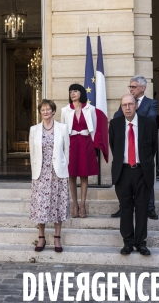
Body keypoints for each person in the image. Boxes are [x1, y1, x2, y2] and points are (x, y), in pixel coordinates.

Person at [109, 94, 157, 256]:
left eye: (130, 104)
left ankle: (141, 242)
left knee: (142, 208)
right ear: (121, 107)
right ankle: (128, 242)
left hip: (142, 172)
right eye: (124, 105)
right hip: (123, 172)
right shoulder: (115, 124)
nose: (127, 108)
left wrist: (144, 164)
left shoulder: (149, 124)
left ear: (137, 105)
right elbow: (114, 145)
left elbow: (153, 149)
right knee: (126, 208)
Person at [111, 75, 159, 220]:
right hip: (127, 146)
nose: (131, 89)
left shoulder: (152, 103)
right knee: (125, 184)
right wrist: (128, 106)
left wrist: (133, 113)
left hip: (143, 146)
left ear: (142, 88)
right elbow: (116, 118)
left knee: (147, 178)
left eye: (133, 87)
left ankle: (150, 208)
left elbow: (150, 120)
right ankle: (124, 208)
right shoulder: (126, 102)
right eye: (130, 87)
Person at [29, 99, 70, 253]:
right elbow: (33, 153)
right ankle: (41, 237)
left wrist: (65, 168)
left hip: (57, 172)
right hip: (41, 174)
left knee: (58, 204)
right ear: (40, 112)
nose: (45, 112)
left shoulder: (62, 128)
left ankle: (57, 237)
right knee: (41, 205)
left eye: (48, 109)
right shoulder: (34, 130)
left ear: (53, 111)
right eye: (43, 109)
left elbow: (67, 151)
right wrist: (34, 172)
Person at [60, 83, 98, 218]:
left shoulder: (90, 109)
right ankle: (74, 205)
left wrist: (94, 145)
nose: (73, 93)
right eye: (71, 91)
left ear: (81, 92)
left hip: (85, 143)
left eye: (75, 91)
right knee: (71, 175)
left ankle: (82, 205)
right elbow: (63, 130)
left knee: (84, 174)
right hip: (71, 144)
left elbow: (94, 127)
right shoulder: (65, 110)